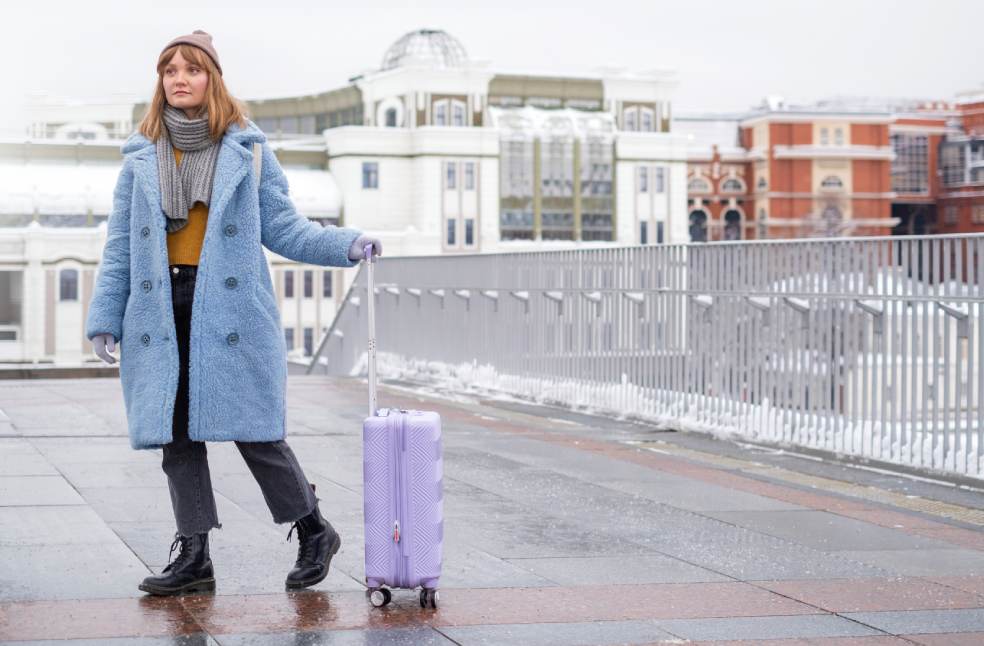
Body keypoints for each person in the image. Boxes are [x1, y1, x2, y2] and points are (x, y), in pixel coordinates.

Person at [85, 29, 381, 596]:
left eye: (191, 69)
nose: (179, 79)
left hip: (229, 306)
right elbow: (120, 245)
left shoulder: (248, 151)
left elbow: (284, 227)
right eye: (170, 70)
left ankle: (314, 530)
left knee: (254, 429)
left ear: (212, 78)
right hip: (160, 306)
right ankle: (194, 556)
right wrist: (105, 315)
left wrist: (345, 244)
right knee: (176, 435)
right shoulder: (140, 157)